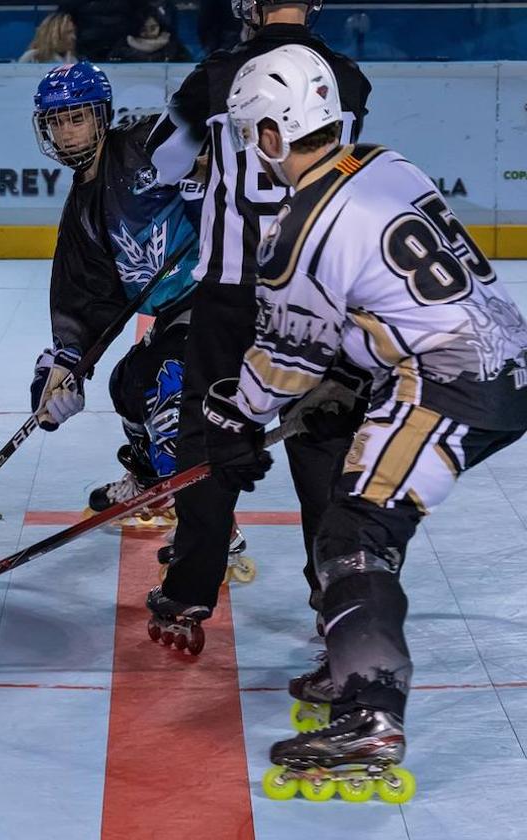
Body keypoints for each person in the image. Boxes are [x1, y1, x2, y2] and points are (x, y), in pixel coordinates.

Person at [204, 44, 527, 798]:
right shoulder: (387, 162)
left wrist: (235, 420)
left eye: (256, 134)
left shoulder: (298, 230)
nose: (256, 150)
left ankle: (371, 707)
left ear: (277, 136)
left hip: (449, 382)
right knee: (356, 520)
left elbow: (286, 362)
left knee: (356, 534)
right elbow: (383, 296)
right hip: (499, 355)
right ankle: (351, 657)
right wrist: (353, 373)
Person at [142, 0, 372, 642]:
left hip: (232, 296)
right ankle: (337, 594)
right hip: (321, 292)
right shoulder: (348, 76)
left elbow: (161, 164)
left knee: (211, 442)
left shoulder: (212, 77)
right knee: (325, 449)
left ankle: (189, 593)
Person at [26, 61, 245, 559]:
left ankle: (209, 526)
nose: (66, 131)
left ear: (103, 116)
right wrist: (66, 364)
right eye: (55, 121)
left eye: (76, 117)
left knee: (168, 385)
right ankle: (151, 478)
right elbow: (85, 297)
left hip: (222, 297)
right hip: (178, 312)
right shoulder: (82, 209)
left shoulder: (144, 146)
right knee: (127, 384)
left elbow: (198, 128)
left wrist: (209, 164)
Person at [110, 7, 193, 63]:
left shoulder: (173, 47)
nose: (149, 33)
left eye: (153, 28)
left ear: (160, 27)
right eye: (143, 29)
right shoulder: (122, 47)